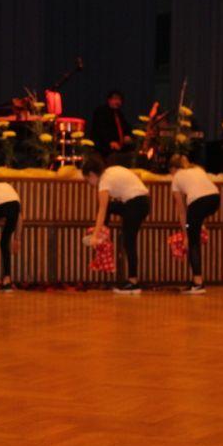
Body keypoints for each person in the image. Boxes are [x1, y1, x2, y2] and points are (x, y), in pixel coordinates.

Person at [82, 154, 150, 294]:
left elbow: (101, 209)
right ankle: (103, 234)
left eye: (87, 179)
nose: (89, 183)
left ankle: (133, 283)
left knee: (129, 242)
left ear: (92, 174)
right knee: (111, 207)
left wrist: (95, 235)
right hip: (141, 202)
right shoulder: (111, 171)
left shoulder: (104, 181)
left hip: (136, 204)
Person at [168, 155, 220, 294]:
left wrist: (186, 235)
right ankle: (199, 226)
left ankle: (197, 283)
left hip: (198, 203)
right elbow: (204, 194)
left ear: (173, 169)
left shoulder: (176, 178)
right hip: (215, 199)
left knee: (193, 242)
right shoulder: (197, 169)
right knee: (195, 223)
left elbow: (182, 212)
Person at [89, 90, 133, 158]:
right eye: (115, 99)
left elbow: (126, 127)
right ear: (109, 100)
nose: (118, 102)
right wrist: (109, 142)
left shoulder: (119, 114)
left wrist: (127, 135)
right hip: (103, 148)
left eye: (119, 100)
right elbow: (100, 129)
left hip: (118, 148)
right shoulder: (101, 111)